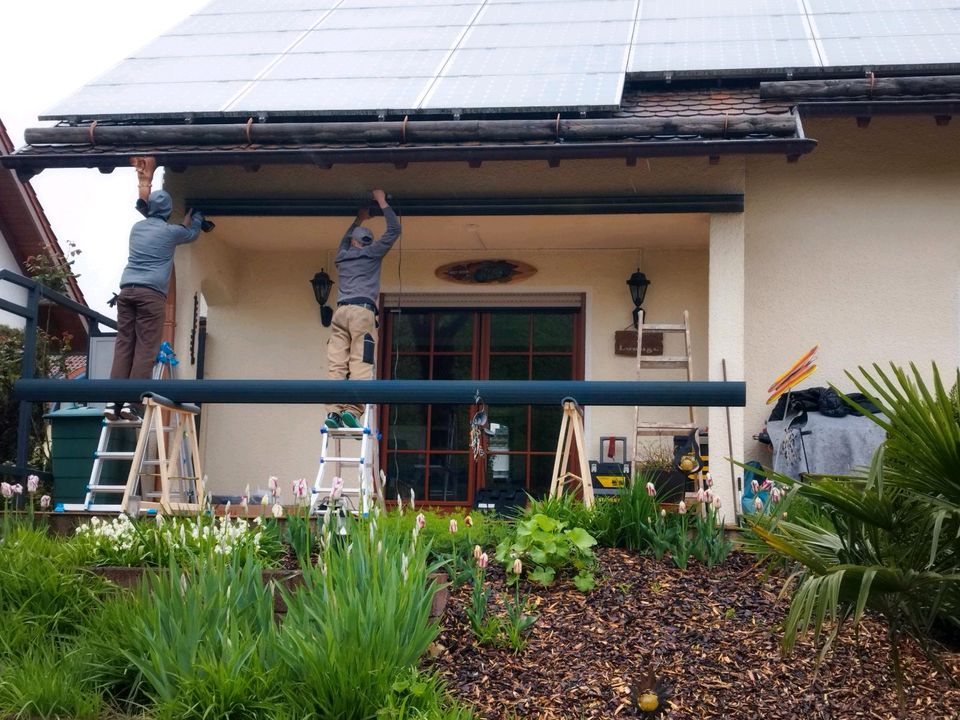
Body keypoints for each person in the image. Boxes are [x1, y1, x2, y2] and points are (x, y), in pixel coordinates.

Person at [105, 156, 204, 421]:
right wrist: (195, 220)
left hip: (127, 290)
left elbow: (157, 225)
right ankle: (131, 404)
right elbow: (191, 234)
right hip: (151, 295)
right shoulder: (172, 233)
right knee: (145, 348)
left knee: (124, 344)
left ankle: (113, 402)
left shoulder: (136, 228)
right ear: (168, 212)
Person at [326, 188, 400, 429]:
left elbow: (344, 239)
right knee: (361, 361)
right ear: (367, 242)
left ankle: (333, 413)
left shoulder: (342, 256)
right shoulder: (373, 253)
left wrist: (359, 218)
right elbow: (394, 230)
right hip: (362, 312)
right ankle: (353, 411)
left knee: (337, 363)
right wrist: (382, 201)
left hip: (340, 313)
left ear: (353, 242)